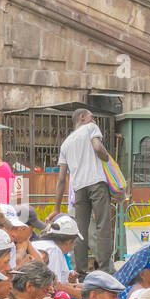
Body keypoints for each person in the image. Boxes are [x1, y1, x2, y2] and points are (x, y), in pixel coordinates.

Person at [51, 108, 112, 273]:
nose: (94, 120)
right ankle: (106, 270)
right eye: (92, 117)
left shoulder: (66, 143)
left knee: (80, 231)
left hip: (78, 189)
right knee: (103, 225)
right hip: (96, 182)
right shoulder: (91, 128)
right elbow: (98, 148)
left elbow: (62, 178)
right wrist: (107, 158)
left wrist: (56, 208)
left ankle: (81, 272)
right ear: (83, 117)